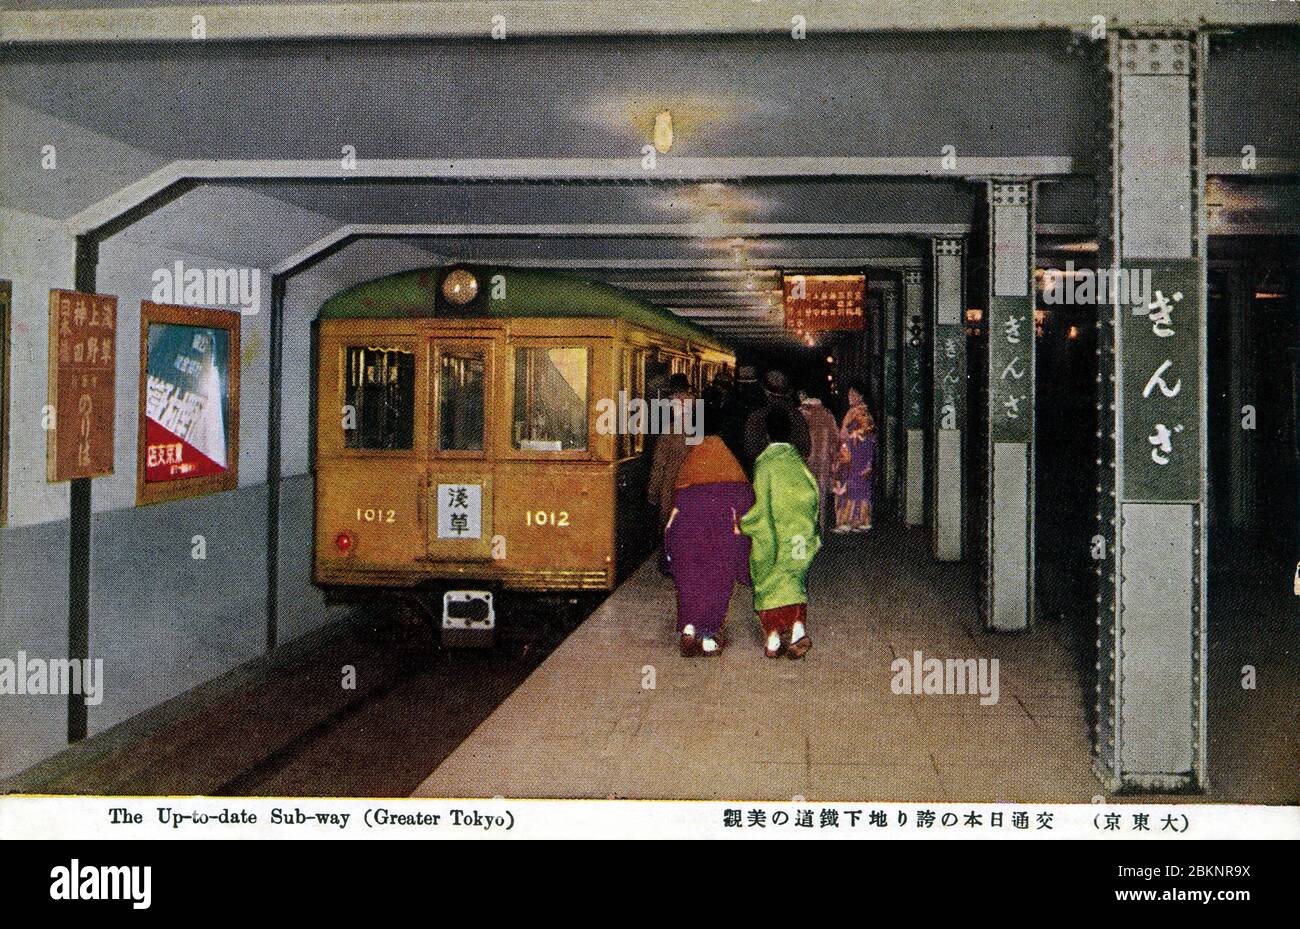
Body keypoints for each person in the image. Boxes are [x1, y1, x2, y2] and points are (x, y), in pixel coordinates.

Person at [740, 408, 822, 659]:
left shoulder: (764, 464)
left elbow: (761, 506)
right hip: (797, 534)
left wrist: (745, 524)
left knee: (768, 583)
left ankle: (773, 640)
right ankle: (798, 631)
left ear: (766, 435)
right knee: (794, 582)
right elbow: (813, 494)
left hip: (772, 536)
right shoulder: (797, 461)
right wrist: (810, 525)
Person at [663, 428, 754, 656]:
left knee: (689, 586)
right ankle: (708, 638)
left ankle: (689, 628)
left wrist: (669, 552)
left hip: (687, 543)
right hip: (721, 545)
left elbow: (672, 522)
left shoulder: (686, 486)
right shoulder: (737, 486)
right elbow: (747, 516)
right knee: (717, 587)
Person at [647, 373, 694, 574]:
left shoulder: (669, 432)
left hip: (672, 481)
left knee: (669, 523)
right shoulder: (698, 427)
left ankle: (669, 564)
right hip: (694, 482)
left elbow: (659, 464)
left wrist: (652, 491)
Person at [742, 369, 811, 469]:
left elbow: (750, 450)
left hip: (765, 473)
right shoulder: (797, 417)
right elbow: (805, 449)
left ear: (766, 392)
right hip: (792, 473)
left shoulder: (756, 418)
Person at [832, 380, 877, 533]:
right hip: (864, 458)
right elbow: (870, 437)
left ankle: (845, 521)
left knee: (846, 486)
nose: (849, 396)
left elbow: (843, 435)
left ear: (860, 396)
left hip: (850, 456)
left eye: (853, 394)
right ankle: (862, 521)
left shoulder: (853, 412)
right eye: (849, 393)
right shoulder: (867, 413)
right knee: (862, 488)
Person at [798, 387, 840, 533]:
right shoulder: (827, 414)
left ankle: (806, 530)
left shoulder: (801, 414)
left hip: (804, 461)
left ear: (803, 395)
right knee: (821, 497)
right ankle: (820, 529)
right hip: (823, 462)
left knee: (804, 495)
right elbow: (836, 439)